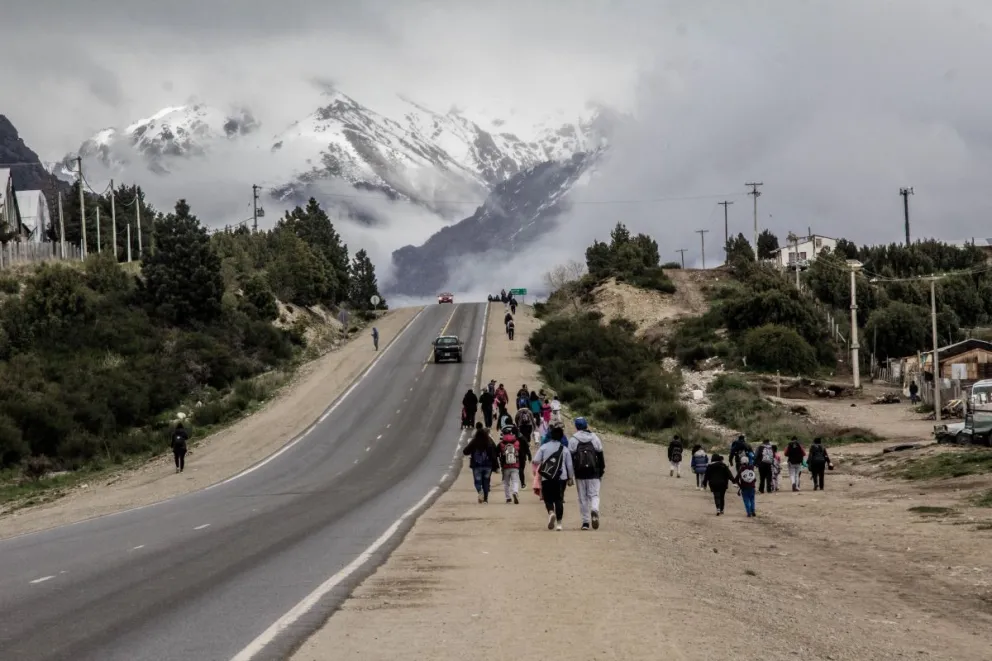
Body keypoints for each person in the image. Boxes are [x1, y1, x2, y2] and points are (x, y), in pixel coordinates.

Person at [533, 424, 574, 531]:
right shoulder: (564, 449)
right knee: (559, 499)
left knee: (548, 498)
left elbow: (536, 460)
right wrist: (570, 477)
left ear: (551, 435)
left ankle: (551, 512)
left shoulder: (544, 447)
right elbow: (569, 465)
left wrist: (545, 461)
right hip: (561, 477)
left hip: (547, 477)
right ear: (561, 437)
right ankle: (559, 524)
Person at [569, 417, 605, 530]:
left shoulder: (573, 440)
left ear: (576, 426)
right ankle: (594, 509)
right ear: (586, 425)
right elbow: (600, 455)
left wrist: (571, 475)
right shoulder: (594, 438)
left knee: (582, 498)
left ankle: (585, 523)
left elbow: (570, 459)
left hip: (580, 473)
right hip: (593, 472)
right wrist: (601, 470)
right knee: (594, 495)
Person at [463, 423, 500, 503]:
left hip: (477, 465)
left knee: (477, 481)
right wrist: (496, 466)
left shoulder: (474, 441)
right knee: (486, 482)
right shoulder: (489, 441)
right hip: (488, 466)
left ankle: (480, 492)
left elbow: (465, 451)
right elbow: (493, 455)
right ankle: (485, 499)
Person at [498, 425, 522, 503]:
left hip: (505, 465)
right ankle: (515, 492)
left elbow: (497, 452)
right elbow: (519, 452)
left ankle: (508, 498)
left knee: (506, 483)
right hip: (515, 464)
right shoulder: (516, 442)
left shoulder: (502, 443)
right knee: (515, 480)